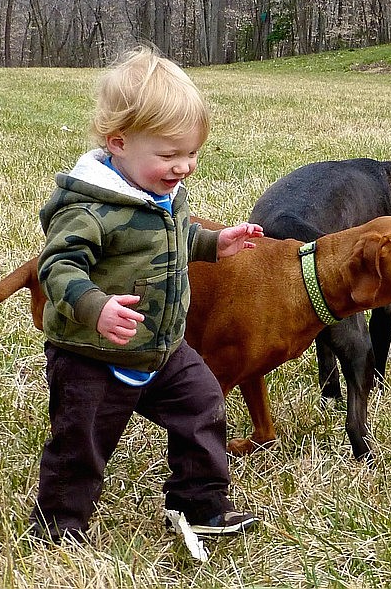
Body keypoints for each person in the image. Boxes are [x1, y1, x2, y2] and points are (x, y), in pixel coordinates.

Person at [29, 45, 263, 544]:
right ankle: (57, 526)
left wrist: (214, 244)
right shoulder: (90, 209)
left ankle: (199, 504)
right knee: (83, 443)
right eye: (169, 155)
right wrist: (97, 308)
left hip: (163, 347)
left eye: (192, 153)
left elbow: (174, 239)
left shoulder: (161, 195)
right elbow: (58, 267)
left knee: (204, 406)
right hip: (92, 354)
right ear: (118, 142)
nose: (185, 167)